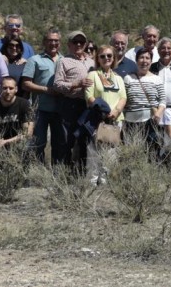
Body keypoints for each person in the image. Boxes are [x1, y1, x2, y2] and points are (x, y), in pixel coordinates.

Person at [21, 29, 65, 165]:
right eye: (50, 40)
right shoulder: (34, 60)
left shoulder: (65, 60)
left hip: (60, 110)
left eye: (56, 40)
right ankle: (38, 172)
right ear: (44, 42)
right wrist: (46, 89)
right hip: (40, 109)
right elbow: (25, 84)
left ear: (60, 43)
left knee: (59, 143)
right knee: (38, 143)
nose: (53, 43)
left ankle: (57, 174)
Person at [52, 30, 94, 168]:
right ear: (69, 44)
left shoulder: (91, 61)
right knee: (66, 140)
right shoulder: (63, 61)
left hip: (87, 105)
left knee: (84, 139)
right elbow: (57, 84)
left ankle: (81, 171)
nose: (78, 44)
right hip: (69, 105)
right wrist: (76, 84)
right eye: (75, 42)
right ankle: (64, 171)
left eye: (81, 42)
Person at [84, 44, 126, 182]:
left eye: (109, 56)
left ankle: (105, 181)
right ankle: (92, 180)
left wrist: (116, 111)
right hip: (98, 119)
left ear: (113, 58)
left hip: (115, 120)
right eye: (102, 56)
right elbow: (89, 96)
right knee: (94, 151)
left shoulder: (118, 78)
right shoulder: (93, 75)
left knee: (111, 152)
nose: (106, 58)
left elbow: (123, 97)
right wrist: (104, 110)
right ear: (98, 59)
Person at [121, 48, 165, 150]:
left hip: (150, 122)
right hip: (130, 123)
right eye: (141, 58)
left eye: (147, 58)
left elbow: (163, 100)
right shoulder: (128, 78)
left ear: (151, 61)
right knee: (132, 153)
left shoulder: (156, 79)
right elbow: (123, 99)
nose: (144, 61)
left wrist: (158, 113)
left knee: (151, 152)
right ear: (136, 60)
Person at [0, 76, 33, 150]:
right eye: (5, 88)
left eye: (11, 88)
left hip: (16, 142)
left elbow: (28, 133)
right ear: (0, 89)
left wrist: (6, 142)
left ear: (16, 89)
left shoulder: (24, 104)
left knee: (27, 145)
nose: (8, 91)